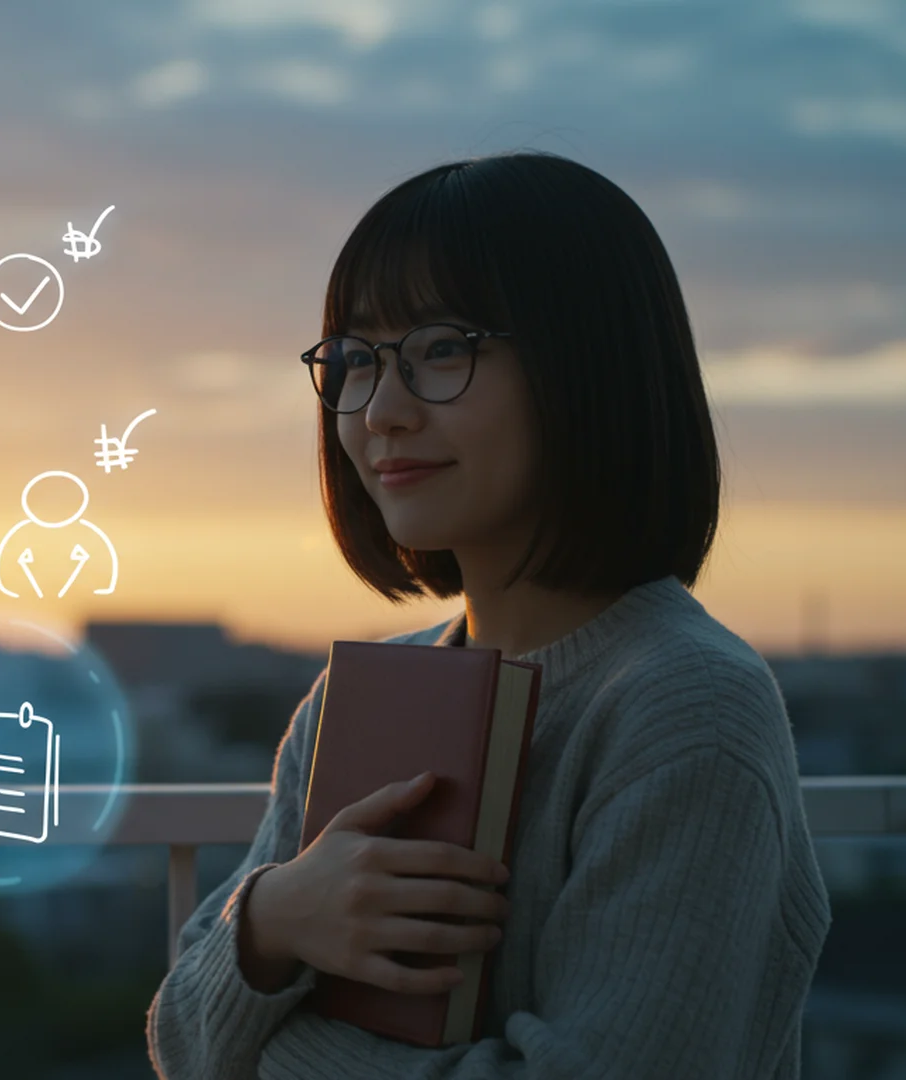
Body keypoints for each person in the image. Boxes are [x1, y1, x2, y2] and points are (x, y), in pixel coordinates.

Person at [145, 151, 832, 1079]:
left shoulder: (687, 709)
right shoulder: (362, 697)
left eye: (441, 349)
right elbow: (184, 1044)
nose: (381, 409)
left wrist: (274, 1054)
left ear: (586, 365)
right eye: (354, 360)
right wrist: (273, 918)